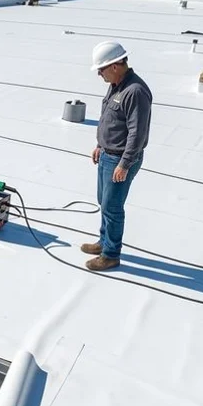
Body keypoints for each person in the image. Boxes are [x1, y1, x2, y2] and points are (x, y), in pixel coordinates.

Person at [83, 41, 152, 271]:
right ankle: (104, 242)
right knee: (104, 202)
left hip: (120, 160)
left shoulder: (135, 91)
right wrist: (99, 145)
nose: (99, 75)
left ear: (114, 66)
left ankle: (111, 254)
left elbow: (137, 133)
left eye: (101, 70)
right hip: (107, 155)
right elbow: (110, 120)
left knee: (112, 207)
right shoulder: (116, 84)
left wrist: (124, 164)